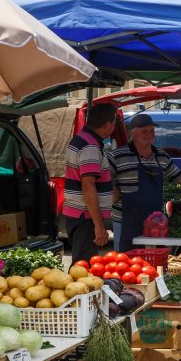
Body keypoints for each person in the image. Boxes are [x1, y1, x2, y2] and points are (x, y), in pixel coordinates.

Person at [109, 114, 181, 251]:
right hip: (125, 221)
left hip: (155, 222)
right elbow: (102, 177)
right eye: (144, 131)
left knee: (154, 262)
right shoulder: (117, 156)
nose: (149, 135)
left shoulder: (162, 157)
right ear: (133, 133)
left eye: (152, 131)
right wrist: (112, 189)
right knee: (126, 262)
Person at [63, 103, 117, 264]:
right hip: (85, 216)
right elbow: (88, 186)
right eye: (114, 123)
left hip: (79, 214)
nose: (114, 126)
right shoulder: (90, 147)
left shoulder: (81, 139)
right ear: (107, 125)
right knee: (83, 266)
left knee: (82, 264)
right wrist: (99, 226)